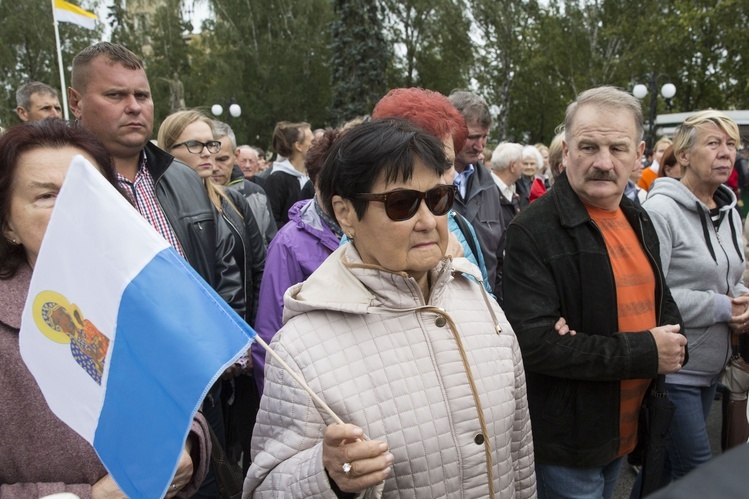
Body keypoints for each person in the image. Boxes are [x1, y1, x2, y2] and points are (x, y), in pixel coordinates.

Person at [244, 118, 536, 498]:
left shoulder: (478, 300)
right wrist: (326, 475)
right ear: (345, 213)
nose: (429, 221)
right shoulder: (300, 347)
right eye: (401, 204)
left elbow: (519, 455)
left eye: (438, 198)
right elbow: (266, 488)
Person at [68, 42, 245, 498]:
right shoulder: (60, 182)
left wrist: (221, 351)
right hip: (107, 394)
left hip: (196, 391)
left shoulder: (183, 178)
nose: (133, 107)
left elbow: (219, 267)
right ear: (76, 102)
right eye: (115, 95)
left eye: (142, 96)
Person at [0, 119, 209, 498]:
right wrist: (89, 497)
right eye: (46, 196)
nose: (70, 210)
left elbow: (180, 397)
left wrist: (186, 443)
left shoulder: (136, 293)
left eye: (87, 192)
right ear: (8, 224)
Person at [503, 86, 687, 499]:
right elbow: (538, 345)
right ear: (566, 152)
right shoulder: (533, 231)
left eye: (618, 148)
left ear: (638, 154)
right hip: (569, 443)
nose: (603, 163)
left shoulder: (638, 218)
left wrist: (675, 344)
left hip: (628, 430)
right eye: (588, 147)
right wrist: (646, 350)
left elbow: (666, 311)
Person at [642, 110, 749, 483]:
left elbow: (730, 276)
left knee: (665, 469)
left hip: (710, 369)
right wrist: (723, 307)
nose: (726, 153)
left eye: (731, 144)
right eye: (713, 143)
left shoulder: (729, 211)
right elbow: (654, 295)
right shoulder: (660, 210)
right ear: (684, 155)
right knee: (700, 472)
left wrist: (742, 300)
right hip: (675, 371)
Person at [370, 87, 491, 295]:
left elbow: (488, 303)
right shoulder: (365, 236)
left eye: (447, 165)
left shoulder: (462, 226)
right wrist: (443, 271)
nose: (440, 183)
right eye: (426, 169)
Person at [251, 128, 345, 396]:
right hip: (315, 386)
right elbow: (270, 336)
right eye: (333, 184)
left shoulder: (371, 229)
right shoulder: (289, 243)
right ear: (315, 183)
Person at [157, 110, 265, 326]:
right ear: (168, 151)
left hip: (242, 328)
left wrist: (255, 333)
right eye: (195, 145)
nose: (207, 153)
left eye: (211, 144)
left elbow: (259, 270)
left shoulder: (233, 201)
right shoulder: (157, 208)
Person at [448, 90, 505, 297]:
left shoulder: (489, 184)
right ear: (448, 131)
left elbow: (499, 255)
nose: (480, 146)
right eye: (472, 137)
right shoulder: (426, 184)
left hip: (487, 305)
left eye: (485, 137)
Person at [213, 122, 277, 247]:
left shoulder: (256, 194)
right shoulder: (189, 196)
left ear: (235, 155)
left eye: (222, 159)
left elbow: (271, 245)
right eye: (209, 158)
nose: (215, 167)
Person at [263, 121, 314, 227]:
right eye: (312, 141)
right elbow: (272, 222)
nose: (316, 145)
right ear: (298, 146)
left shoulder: (311, 175)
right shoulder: (277, 179)